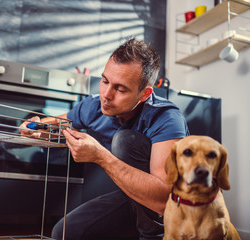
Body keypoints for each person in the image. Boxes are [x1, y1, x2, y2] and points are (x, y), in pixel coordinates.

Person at [19, 37, 189, 240]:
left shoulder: (167, 118)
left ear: (144, 94)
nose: (106, 95)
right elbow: (55, 124)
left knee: (125, 140)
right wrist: (35, 129)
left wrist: (101, 156)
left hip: (174, 209)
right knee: (65, 233)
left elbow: (165, 200)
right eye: (105, 81)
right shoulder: (94, 106)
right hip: (132, 198)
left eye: (120, 89)